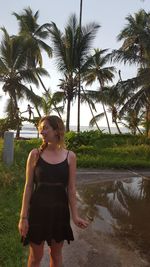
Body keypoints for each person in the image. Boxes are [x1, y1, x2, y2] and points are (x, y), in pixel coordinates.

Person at [18, 115, 88, 267]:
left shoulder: (70, 157)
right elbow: (28, 186)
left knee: (56, 256)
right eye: (40, 129)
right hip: (37, 212)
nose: (41, 132)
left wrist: (75, 216)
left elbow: (71, 188)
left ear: (57, 130)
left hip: (59, 213)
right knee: (36, 257)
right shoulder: (35, 154)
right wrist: (23, 217)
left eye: (45, 128)